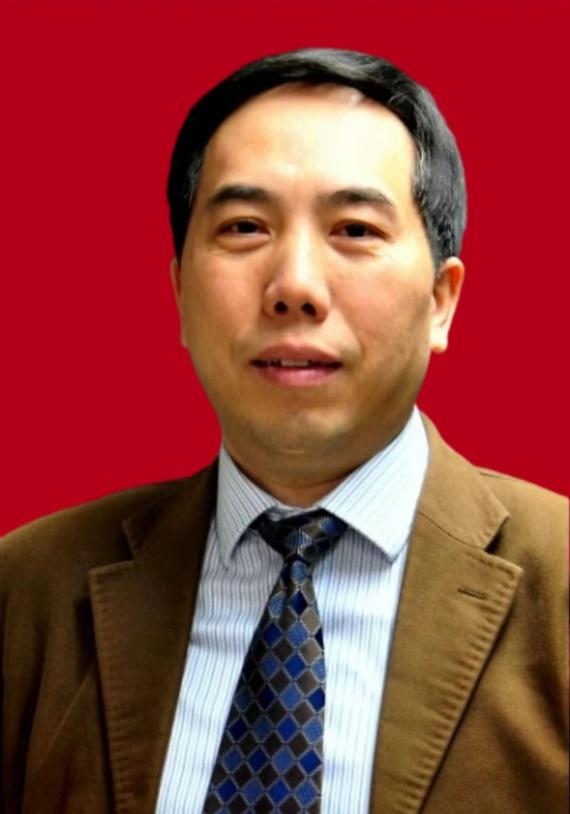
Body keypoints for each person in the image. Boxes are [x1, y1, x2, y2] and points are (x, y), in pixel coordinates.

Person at [0, 48, 567, 814]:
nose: (294, 285)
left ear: (441, 301)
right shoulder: (27, 591)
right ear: (179, 290)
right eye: (245, 226)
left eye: (354, 229)